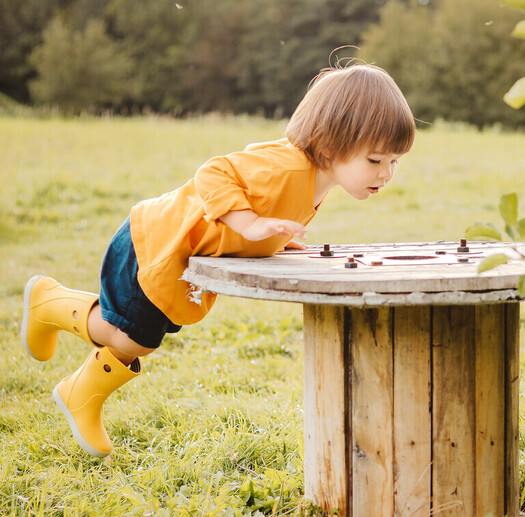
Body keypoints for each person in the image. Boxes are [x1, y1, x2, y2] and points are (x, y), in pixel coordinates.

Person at [20, 63, 415, 458]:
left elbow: (267, 214)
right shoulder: (285, 166)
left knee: (142, 336)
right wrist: (251, 223)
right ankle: (49, 304)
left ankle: (79, 392)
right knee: (131, 337)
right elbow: (214, 172)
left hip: (181, 253)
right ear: (331, 146)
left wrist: (275, 239)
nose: (387, 173)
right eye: (376, 160)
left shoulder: (317, 178)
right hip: (154, 241)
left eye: (394, 161)